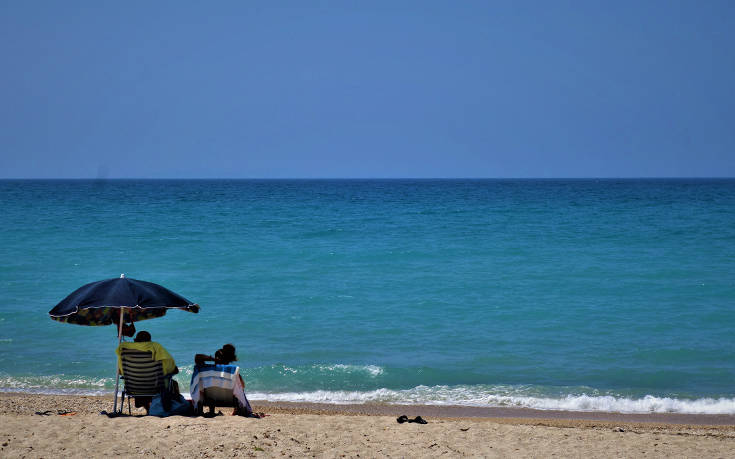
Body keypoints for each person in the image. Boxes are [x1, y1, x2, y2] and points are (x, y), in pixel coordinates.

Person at [193, 344, 262, 417]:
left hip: (209, 400)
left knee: (203, 388)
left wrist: (212, 359)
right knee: (239, 388)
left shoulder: (208, 370)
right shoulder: (233, 371)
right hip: (230, 402)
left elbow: (197, 357)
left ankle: (210, 411)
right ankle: (238, 410)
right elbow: (243, 386)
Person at [116, 331, 179, 412]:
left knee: (141, 379)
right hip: (155, 388)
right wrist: (173, 369)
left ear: (136, 340)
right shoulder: (156, 348)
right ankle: (168, 408)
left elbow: (120, 371)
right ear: (149, 341)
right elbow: (170, 366)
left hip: (133, 388)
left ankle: (148, 409)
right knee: (169, 381)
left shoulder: (124, 350)